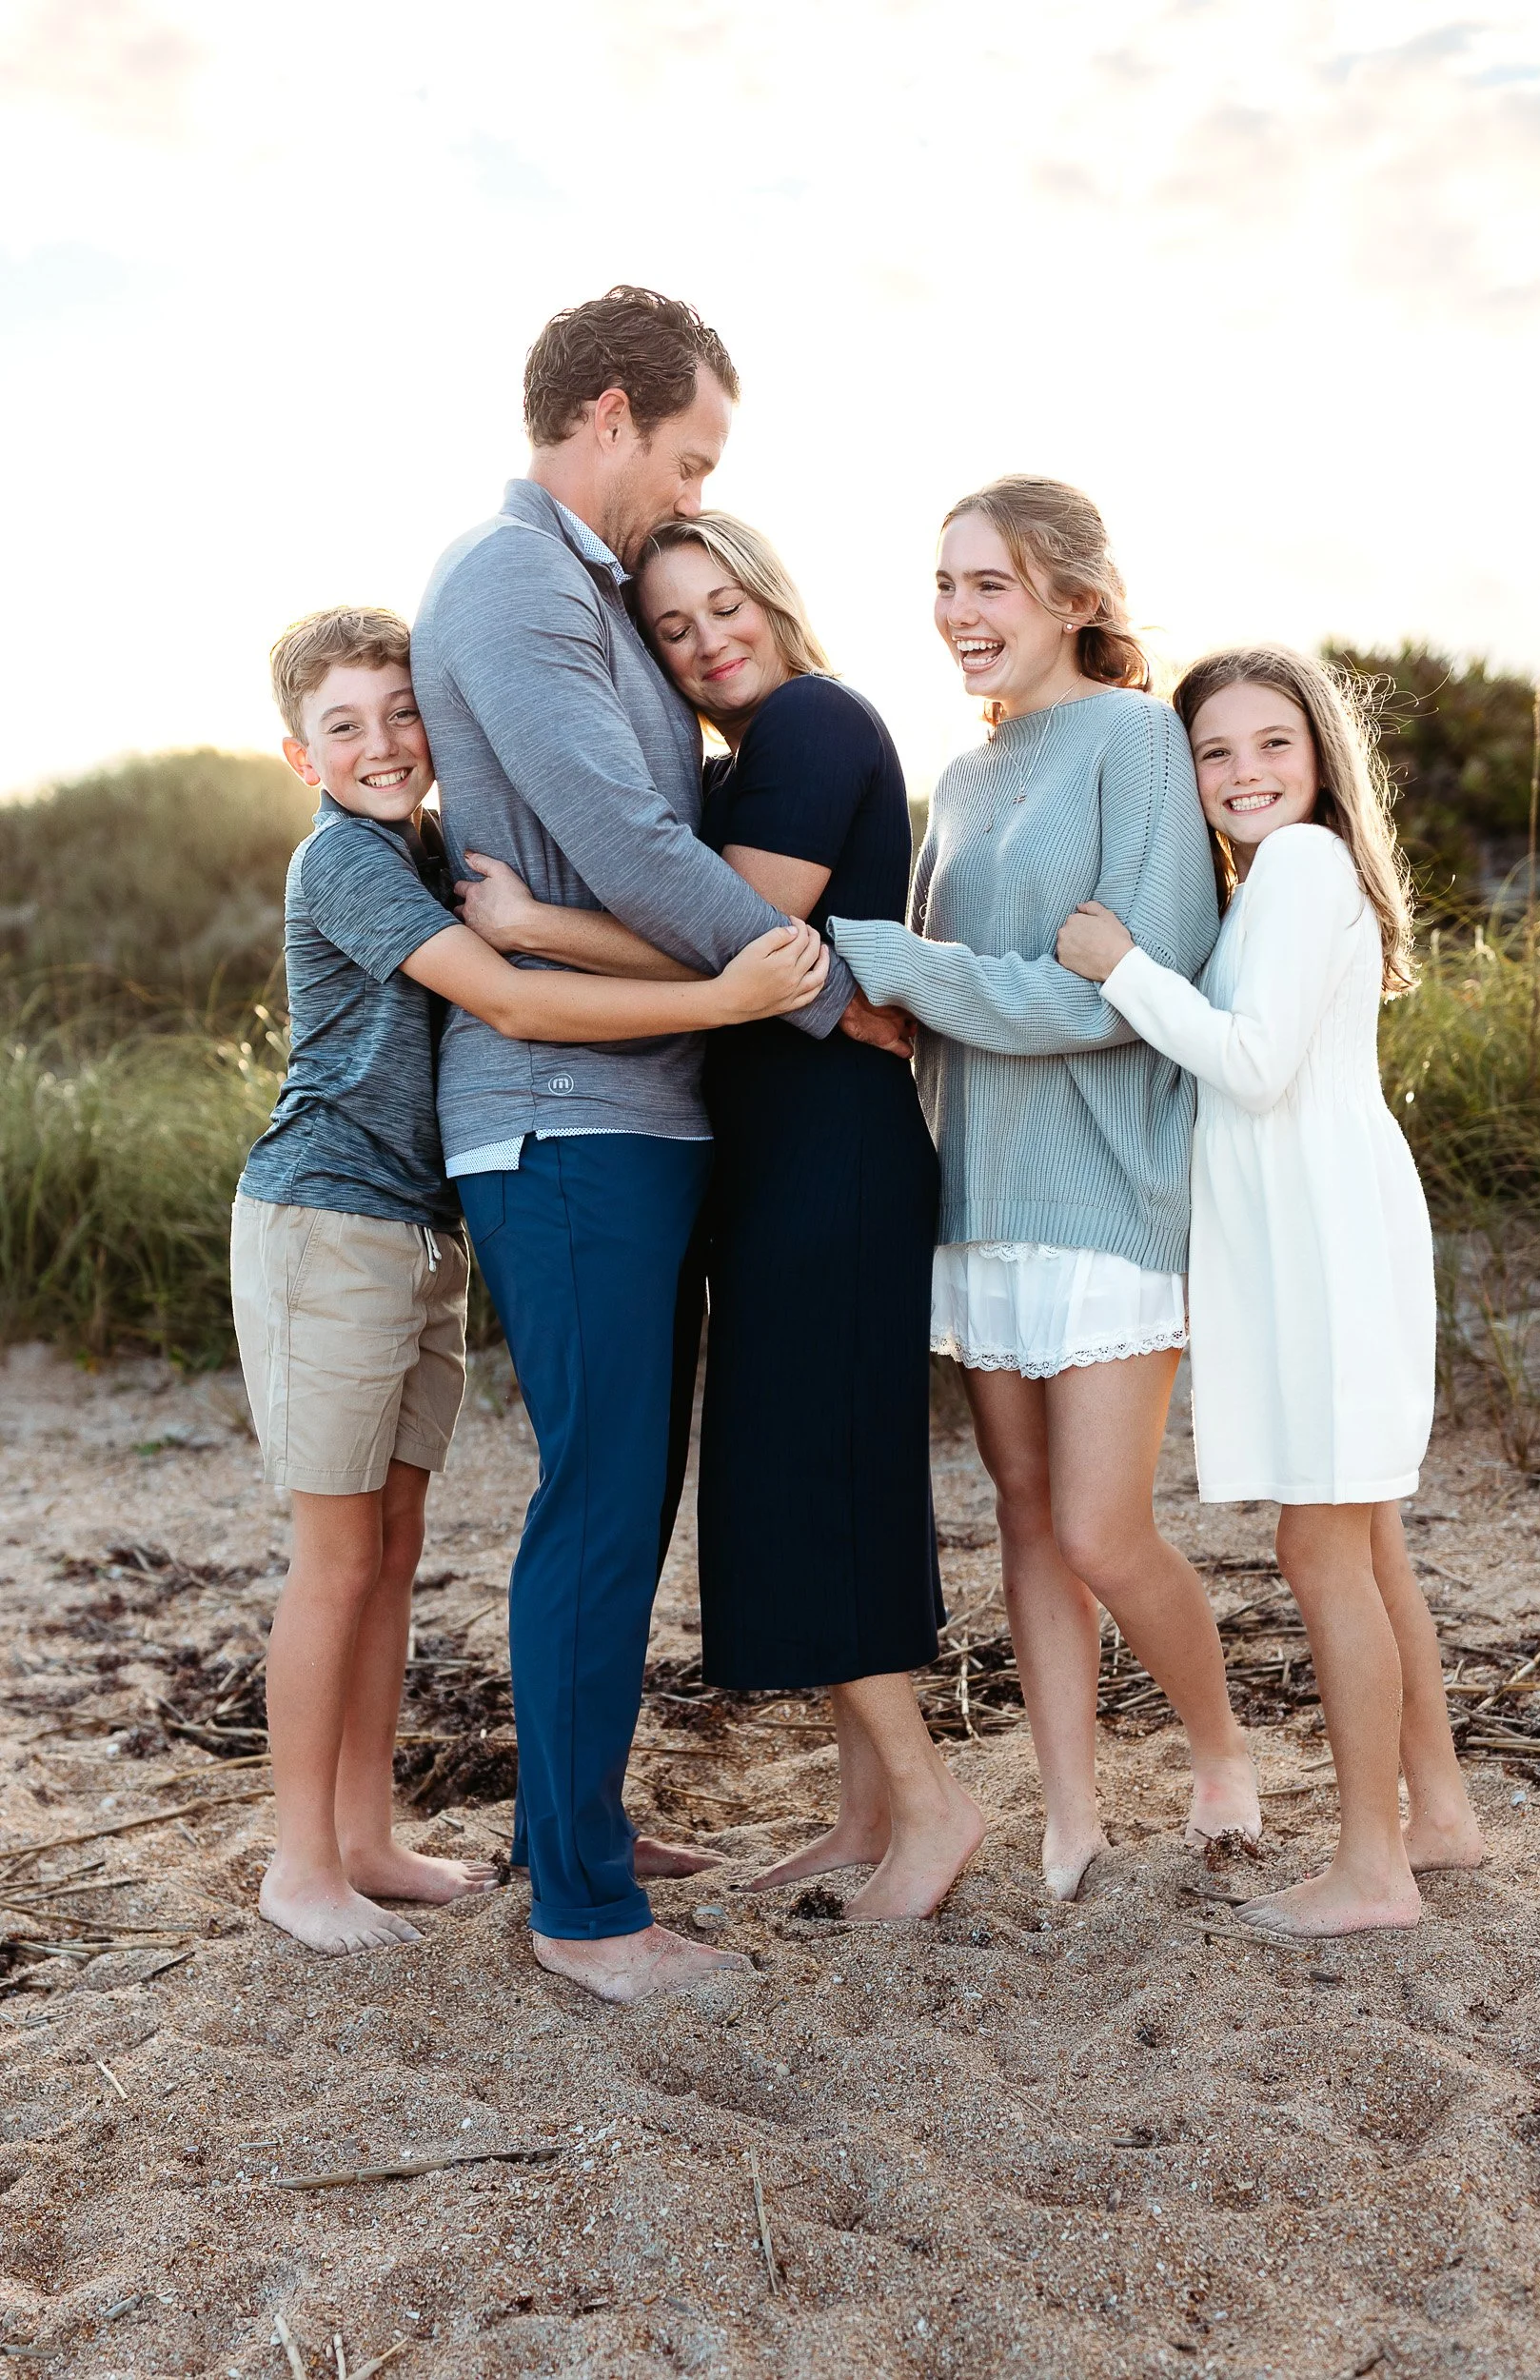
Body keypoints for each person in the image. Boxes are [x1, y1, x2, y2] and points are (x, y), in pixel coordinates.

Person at [409, 289, 905, 2004]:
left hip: (642, 1109)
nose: (689, 487)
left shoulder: (589, 591)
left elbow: (646, 828)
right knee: (601, 1506)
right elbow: (626, 837)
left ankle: (581, 1832)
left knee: (622, 1500)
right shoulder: (510, 581)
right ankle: (584, 1916)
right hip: (560, 1126)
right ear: (610, 415)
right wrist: (818, 994)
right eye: (688, 452)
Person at [233, 605, 829, 1958]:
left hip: (412, 1233)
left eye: (400, 713)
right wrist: (722, 999)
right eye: (345, 726)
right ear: (295, 753)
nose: (383, 744)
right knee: (335, 1558)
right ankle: (298, 1862)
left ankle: (370, 1836)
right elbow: (507, 999)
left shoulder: (427, 847)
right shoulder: (344, 861)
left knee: (390, 1551)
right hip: (326, 1221)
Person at [459, 515, 983, 1920]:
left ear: (774, 596)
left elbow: (741, 944)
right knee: (832, 1469)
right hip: (783, 1151)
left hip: (829, 1154)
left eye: (724, 603)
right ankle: (864, 1817)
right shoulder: (740, 764)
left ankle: (931, 1810)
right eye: (672, 628)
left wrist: (537, 925)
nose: (707, 639)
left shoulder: (811, 722)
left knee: (806, 1472)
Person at [829, 477, 1261, 1903]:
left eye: (988, 586)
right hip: (977, 1199)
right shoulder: (959, 777)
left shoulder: (1135, 743)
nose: (957, 615)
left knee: (1099, 1529)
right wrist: (907, 990)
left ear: (1074, 599)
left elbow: (1119, 996)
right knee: (1022, 1520)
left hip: (1107, 1190)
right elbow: (969, 998)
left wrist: (891, 961)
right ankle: (1069, 1814)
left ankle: (1216, 1749)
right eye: (944, 584)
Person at [1057, 646, 1486, 1936]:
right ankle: (1441, 1813)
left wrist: (1117, 965)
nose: (1244, 773)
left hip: (1325, 1244)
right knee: (1364, 1542)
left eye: (1272, 746)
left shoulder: (1299, 866)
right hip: (1319, 1232)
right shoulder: (1275, 885)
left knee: (1320, 1548)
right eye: (1215, 752)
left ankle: (1370, 1869)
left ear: (1319, 759)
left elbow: (1246, 1068)